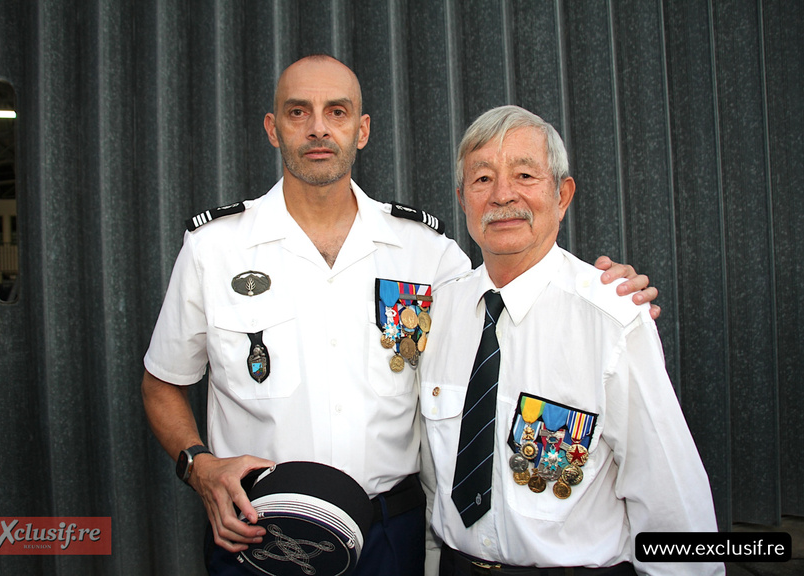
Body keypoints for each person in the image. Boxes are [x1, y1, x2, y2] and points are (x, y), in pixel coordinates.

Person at [140, 56, 658, 576]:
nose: (319, 127)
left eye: (337, 111)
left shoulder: (425, 253)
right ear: (274, 130)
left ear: (361, 131)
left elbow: (512, 290)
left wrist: (607, 296)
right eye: (299, 112)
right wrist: (197, 466)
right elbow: (163, 382)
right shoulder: (214, 250)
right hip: (256, 530)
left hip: (391, 536)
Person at [419, 105, 722, 575]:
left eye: (524, 174)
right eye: (482, 179)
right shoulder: (440, 315)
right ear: (463, 199)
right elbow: (434, 478)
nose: (502, 195)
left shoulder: (612, 319)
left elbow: (667, 493)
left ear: (562, 195)